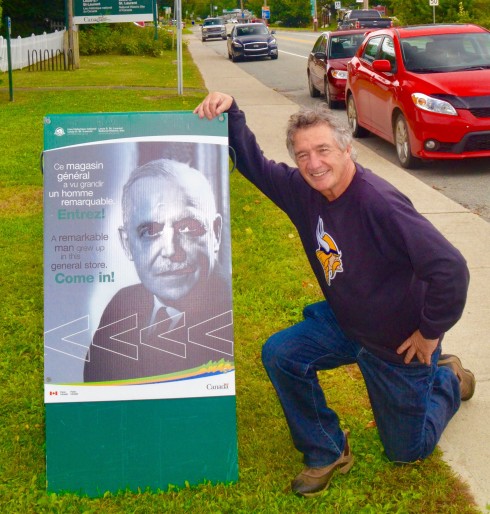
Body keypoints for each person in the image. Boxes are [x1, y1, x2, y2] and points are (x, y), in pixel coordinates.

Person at [194, 92, 475, 497]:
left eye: (323, 149)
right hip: (345, 322)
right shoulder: (302, 191)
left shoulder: (380, 204)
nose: (313, 163)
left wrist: (430, 333)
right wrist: (232, 109)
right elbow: (254, 164)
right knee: (281, 354)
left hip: (396, 343)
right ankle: (326, 448)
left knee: (406, 451)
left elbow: (449, 268)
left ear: (347, 149)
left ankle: (446, 377)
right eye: (303, 154)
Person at [83, 158, 233, 382]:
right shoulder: (123, 303)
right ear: (127, 244)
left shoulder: (229, 313)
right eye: (150, 230)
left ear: (216, 233)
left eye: (188, 227)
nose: (171, 250)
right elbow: (95, 383)